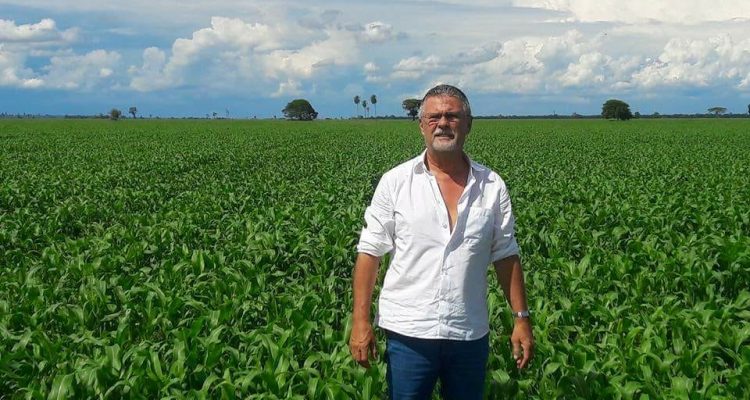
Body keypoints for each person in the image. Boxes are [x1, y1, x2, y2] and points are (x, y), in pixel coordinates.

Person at [349, 84, 534, 399]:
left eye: (452, 116)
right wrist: (360, 321)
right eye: (434, 117)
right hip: (409, 332)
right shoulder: (395, 182)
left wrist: (521, 319)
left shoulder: (492, 185)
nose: (443, 123)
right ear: (421, 125)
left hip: (469, 331)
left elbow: (505, 254)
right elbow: (370, 253)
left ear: (468, 124)